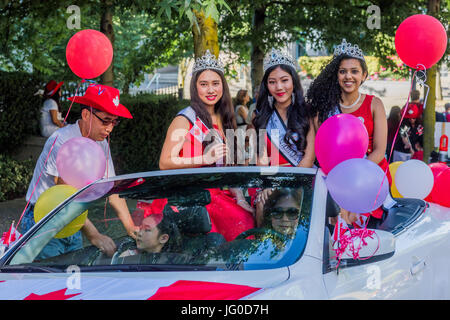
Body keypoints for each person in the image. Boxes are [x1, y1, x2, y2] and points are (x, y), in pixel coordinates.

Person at [20, 84, 137, 259]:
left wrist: (131, 228)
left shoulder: (101, 143)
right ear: (86, 114)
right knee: (48, 282)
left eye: (114, 121)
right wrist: (94, 235)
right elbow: (64, 196)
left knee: (72, 281)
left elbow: (112, 189)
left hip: (74, 219)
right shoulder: (61, 141)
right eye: (105, 120)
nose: (110, 128)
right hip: (44, 219)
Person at [159, 50, 255, 241]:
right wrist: (204, 159)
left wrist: (241, 198)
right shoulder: (185, 118)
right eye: (204, 84)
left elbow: (229, 168)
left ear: (223, 86)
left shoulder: (224, 118)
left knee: (247, 222)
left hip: (220, 195)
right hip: (194, 198)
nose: (210, 90)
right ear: (195, 88)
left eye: (215, 84)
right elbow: (165, 162)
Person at [306, 39, 391, 225]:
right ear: (336, 75)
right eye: (342, 71)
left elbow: (379, 150)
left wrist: (353, 176)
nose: (348, 76)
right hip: (335, 177)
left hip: (369, 174)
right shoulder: (325, 108)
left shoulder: (374, 104)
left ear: (364, 75)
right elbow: (322, 151)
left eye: (354, 71)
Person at [253, 48, 315, 168]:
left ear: (293, 82)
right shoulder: (260, 115)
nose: (279, 87)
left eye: (284, 80)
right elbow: (262, 161)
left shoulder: (307, 112)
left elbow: (309, 159)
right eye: (272, 82)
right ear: (266, 86)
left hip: (301, 179)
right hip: (271, 181)